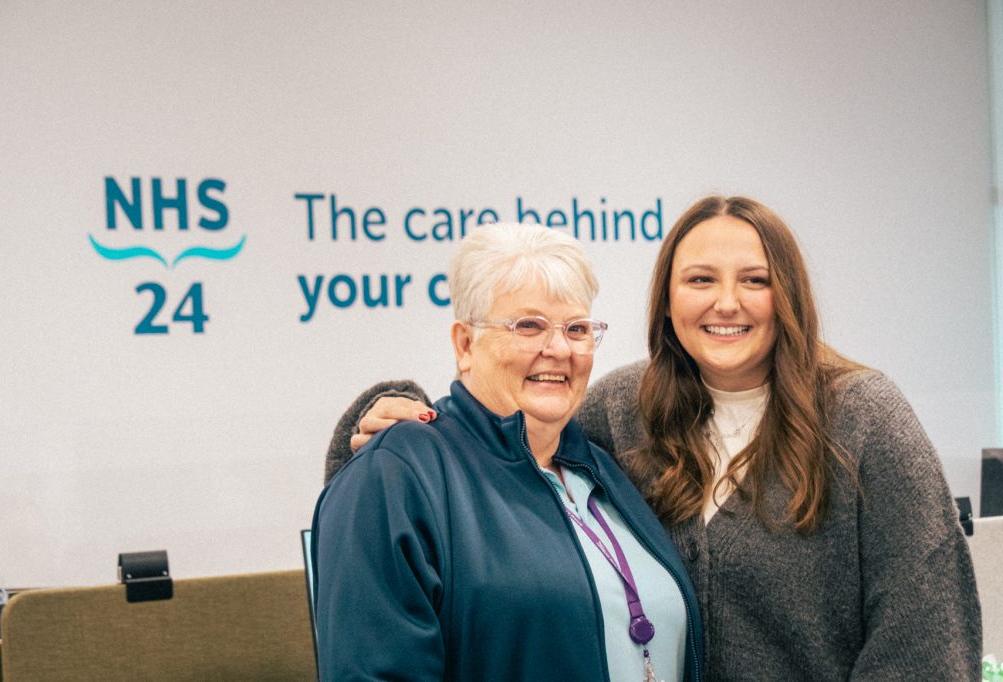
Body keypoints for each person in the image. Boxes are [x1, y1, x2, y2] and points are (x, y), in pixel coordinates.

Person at [326, 196, 982, 680]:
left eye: (755, 280)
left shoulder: (865, 419)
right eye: (700, 279)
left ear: (790, 296)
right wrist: (375, 423)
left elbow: (924, 642)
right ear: (666, 302)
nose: (727, 302)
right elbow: (491, 459)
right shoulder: (625, 408)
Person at [311, 222, 704, 681]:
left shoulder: (602, 469)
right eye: (529, 326)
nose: (558, 348)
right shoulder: (399, 474)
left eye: (576, 328)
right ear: (465, 344)